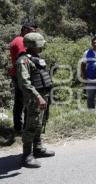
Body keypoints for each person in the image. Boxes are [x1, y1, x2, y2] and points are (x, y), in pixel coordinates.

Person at [16, 32, 55, 168]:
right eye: (39, 44)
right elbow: (24, 83)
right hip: (34, 98)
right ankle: (26, 156)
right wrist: (38, 97)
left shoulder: (35, 57)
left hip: (43, 95)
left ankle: (37, 148)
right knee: (31, 125)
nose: (41, 47)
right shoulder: (23, 60)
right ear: (31, 45)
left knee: (40, 123)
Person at [9, 24, 37, 134]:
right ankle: (25, 128)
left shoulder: (16, 39)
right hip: (21, 75)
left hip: (17, 74)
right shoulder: (21, 41)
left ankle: (18, 128)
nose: (33, 34)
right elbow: (26, 57)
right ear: (24, 30)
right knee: (26, 101)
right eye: (31, 31)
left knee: (19, 102)